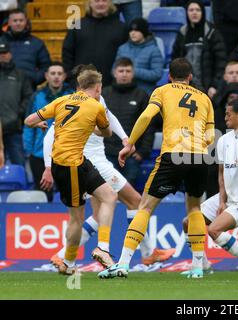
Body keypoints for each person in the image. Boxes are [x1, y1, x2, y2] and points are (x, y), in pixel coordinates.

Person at [42, 64, 175, 269]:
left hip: (91, 160)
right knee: (135, 200)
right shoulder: (73, 103)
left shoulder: (90, 100)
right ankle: (144, 252)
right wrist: (47, 165)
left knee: (99, 213)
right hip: (92, 162)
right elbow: (51, 135)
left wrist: (124, 138)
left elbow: (110, 116)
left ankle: (63, 256)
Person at [98, 58, 215, 279]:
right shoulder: (204, 98)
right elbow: (210, 136)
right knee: (194, 209)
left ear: (169, 76)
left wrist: (130, 143)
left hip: (173, 154)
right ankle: (198, 267)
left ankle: (123, 264)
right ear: (190, 77)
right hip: (200, 156)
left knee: (145, 207)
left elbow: (146, 116)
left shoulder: (162, 91)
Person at [24, 70, 118, 275]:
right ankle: (68, 263)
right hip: (70, 166)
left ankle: (103, 248)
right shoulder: (96, 105)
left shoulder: (61, 101)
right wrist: (93, 127)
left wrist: (40, 123)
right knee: (76, 217)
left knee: (110, 196)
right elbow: (108, 133)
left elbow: (29, 120)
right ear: (98, 87)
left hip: (77, 161)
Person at [183, 98, 238, 275]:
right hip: (228, 198)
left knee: (214, 229)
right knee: (188, 223)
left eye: (229, 114)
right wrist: (222, 201)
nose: (225, 117)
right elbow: (221, 173)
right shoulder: (224, 139)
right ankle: (203, 264)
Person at [23, 62, 73, 201]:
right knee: (44, 193)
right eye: (52, 73)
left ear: (64, 76)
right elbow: (27, 124)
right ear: (46, 76)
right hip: (39, 154)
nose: (56, 77)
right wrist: (29, 149)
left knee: (68, 194)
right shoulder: (36, 96)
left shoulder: (73, 96)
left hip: (66, 154)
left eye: (59, 73)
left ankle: (67, 221)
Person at [103, 58, 155, 188]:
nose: (124, 74)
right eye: (121, 70)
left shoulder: (141, 95)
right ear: (115, 73)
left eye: (128, 71)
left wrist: (143, 151)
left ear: (133, 73)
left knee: (129, 193)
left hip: (131, 155)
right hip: (106, 153)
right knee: (107, 192)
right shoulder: (104, 94)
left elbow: (149, 126)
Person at [63, 0, 128, 86]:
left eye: (104, 0)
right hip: (82, 85)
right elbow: (67, 52)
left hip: (112, 87)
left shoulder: (121, 27)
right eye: (96, 0)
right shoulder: (77, 25)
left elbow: (127, 56)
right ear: (89, 2)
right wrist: (71, 78)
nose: (100, 4)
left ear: (110, 3)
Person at [172, 0, 227, 96]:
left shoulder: (212, 33)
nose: (194, 13)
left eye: (198, 10)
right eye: (191, 10)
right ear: (187, 13)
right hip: (185, 87)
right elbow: (175, 61)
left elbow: (221, 63)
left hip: (208, 88)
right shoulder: (182, 33)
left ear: (203, 12)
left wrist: (214, 85)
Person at [0, 41, 33, 166]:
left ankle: (20, 186)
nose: (2, 55)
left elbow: (28, 97)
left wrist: (17, 114)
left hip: (13, 128)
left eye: (5, 52)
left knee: (19, 165)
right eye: (0, 53)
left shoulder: (20, 75)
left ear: (10, 54)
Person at [0, 9, 51, 87]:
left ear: (26, 22)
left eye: (21, 20)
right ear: (9, 22)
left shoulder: (36, 43)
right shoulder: (1, 41)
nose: (18, 23)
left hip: (28, 88)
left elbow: (46, 66)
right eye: (15, 20)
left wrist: (35, 79)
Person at [115, 17, 164, 95]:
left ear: (144, 32)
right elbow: (114, 70)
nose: (133, 33)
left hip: (145, 93)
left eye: (137, 30)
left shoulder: (154, 50)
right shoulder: (122, 48)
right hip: (124, 93)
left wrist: (133, 71)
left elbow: (157, 74)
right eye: (131, 30)